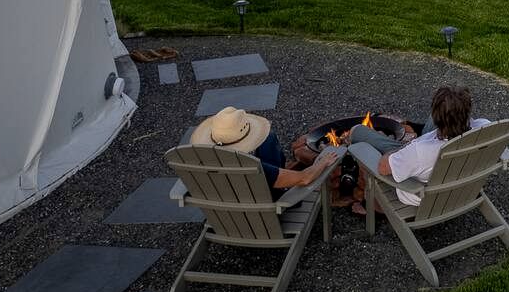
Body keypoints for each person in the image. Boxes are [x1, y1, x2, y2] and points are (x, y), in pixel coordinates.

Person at [345, 86, 488, 209]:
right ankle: (415, 129)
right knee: (446, 107)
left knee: (357, 131)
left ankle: (371, 208)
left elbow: (383, 167)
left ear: (438, 118)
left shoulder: (419, 151)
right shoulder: (485, 128)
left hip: (425, 196)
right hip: (463, 189)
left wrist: (407, 147)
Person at [190, 106, 341, 195]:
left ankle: (282, 171)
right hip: (264, 211)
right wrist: (322, 162)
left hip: (225, 213)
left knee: (268, 139)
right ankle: (282, 177)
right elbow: (304, 178)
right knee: (270, 139)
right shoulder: (257, 169)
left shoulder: (199, 164)